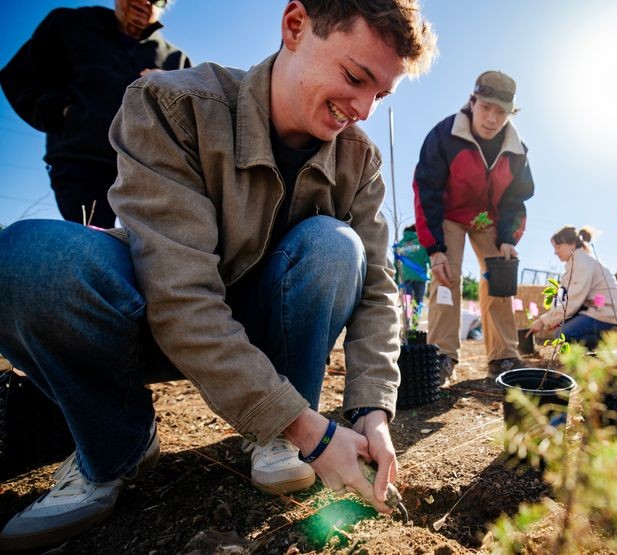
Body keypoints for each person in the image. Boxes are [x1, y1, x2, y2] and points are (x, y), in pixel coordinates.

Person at [0, 0, 436, 549]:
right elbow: (178, 296)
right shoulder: (172, 105)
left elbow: (377, 289)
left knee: (334, 246)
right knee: (27, 261)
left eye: (382, 94)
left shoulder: (359, 159)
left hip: (260, 334)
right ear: (296, 26)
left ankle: (279, 432)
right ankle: (114, 446)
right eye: (354, 77)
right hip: (151, 323)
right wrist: (314, 432)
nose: (364, 109)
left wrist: (371, 410)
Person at [0, 0, 191, 229]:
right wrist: (64, 113)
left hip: (150, 170)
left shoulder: (176, 59)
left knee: (155, 247)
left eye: (157, 0)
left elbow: (187, 118)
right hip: (84, 163)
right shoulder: (70, 24)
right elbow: (20, 75)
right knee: (95, 243)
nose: (145, 1)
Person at [412, 70, 535, 381]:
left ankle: (503, 356)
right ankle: (441, 356)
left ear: (510, 113)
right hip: (450, 214)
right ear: (472, 102)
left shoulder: (517, 149)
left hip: (488, 219)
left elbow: (515, 200)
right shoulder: (444, 136)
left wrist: (508, 238)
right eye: (486, 107)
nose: (492, 118)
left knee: (500, 277)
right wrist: (435, 249)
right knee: (446, 277)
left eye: (501, 112)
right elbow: (426, 191)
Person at [528, 227, 617, 350]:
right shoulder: (578, 261)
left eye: (558, 247)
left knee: (562, 335)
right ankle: (612, 340)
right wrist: (557, 320)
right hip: (606, 313)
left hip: (611, 316)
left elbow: (573, 302)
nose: (555, 252)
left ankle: (614, 343)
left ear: (572, 244)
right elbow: (580, 303)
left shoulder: (582, 262)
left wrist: (543, 321)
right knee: (564, 332)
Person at [395, 224, 429, 305]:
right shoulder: (422, 242)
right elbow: (428, 258)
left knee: (407, 302)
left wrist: (396, 280)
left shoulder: (400, 244)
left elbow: (396, 263)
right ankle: (416, 317)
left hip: (406, 277)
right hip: (420, 277)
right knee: (418, 302)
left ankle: (407, 317)